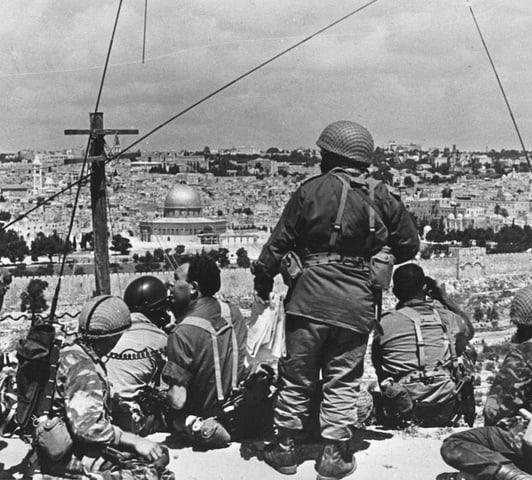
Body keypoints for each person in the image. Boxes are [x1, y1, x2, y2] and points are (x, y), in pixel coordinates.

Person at [251, 120, 420, 479]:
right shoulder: (383, 195)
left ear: (328, 155)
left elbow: (278, 243)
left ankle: (284, 451)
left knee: (297, 377)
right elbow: (409, 245)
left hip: (308, 300)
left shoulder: (310, 191)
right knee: (343, 380)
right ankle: (334, 455)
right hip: (356, 302)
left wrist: (263, 278)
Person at [35, 295, 173, 480]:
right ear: (113, 337)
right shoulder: (83, 368)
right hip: (65, 455)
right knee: (149, 474)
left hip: (53, 447)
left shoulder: (68, 352)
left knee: (149, 458)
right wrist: (133, 440)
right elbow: (87, 429)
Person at [439, 283, 532, 480]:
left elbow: (493, 411)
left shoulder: (527, 352)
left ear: (521, 322)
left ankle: (515, 477)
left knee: (455, 444)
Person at [162, 253, 251, 449]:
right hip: (243, 414)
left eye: (176, 279)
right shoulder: (232, 312)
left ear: (193, 287)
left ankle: (203, 427)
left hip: (208, 414)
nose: (171, 285)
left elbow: (177, 400)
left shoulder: (182, 333)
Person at [371, 263, 475, 427]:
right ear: (425, 287)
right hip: (445, 408)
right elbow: (469, 331)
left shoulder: (385, 322)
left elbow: (378, 361)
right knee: (467, 349)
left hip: (402, 407)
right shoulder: (448, 318)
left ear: (396, 291)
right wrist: (443, 297)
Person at [107, 275, 170, 435]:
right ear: (158, 310)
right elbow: (173, 380)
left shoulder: (111, 330)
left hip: (100, 412)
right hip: (129, 420)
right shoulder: (160, 339)